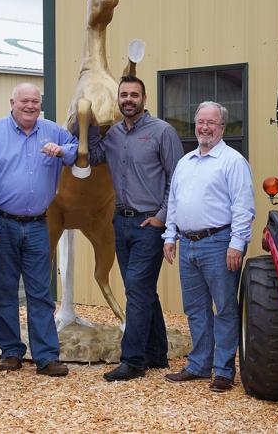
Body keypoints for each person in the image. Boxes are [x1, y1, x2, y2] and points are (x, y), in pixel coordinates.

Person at [89, 75, 184, 381]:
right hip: (121, 221)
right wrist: (88, 125)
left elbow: (177, 180)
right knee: (142, 290)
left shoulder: (162, 132)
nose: (128, 99)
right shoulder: (114, 135)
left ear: (145, 99)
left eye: (134, 94)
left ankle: (133, 361)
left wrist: (162, 217)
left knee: (137, 291)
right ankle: (157, 354)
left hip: (149, 224)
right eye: (124, 95)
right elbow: (92, 157)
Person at [0, 82, 75, 377]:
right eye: (25, 101)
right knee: (4, 290)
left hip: (37, 224)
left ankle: (46, 356)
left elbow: (76, 151)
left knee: (40, 292)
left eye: (35, 101)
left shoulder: (53, 130)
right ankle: (11, 351)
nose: (31, 106)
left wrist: (62, 151)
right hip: (2, 222)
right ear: (12, 102)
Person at [162, 101, 255, 393]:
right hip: (188, 244)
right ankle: (199, 365)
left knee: (225, 308)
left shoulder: (232, 161)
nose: (204, 128)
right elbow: (174, 202)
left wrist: (237, 244)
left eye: (211, 123)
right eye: (200, 122)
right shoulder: (185, 162)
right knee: (195, 309)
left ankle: (224, 371)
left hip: (219, 244)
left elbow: (243, 207)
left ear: (222, 128)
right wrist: (169, 236)